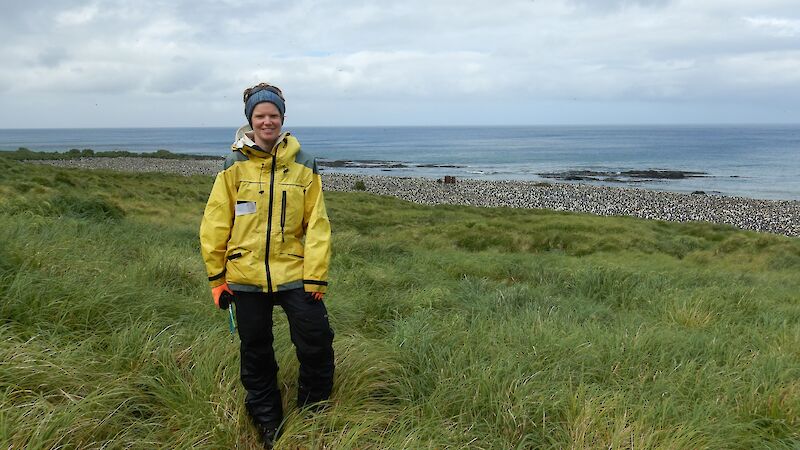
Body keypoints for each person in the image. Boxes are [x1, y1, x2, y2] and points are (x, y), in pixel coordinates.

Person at [199, 83, 334, 447]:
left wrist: (316, 277)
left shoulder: (304, 163)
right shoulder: (234, 164)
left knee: (316, 342)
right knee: (256, 350)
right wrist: (216, 278)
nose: (267, 121)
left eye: (273, 115)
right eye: (260, 116)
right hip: (244, 276)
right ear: (250, 121)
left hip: (295, 272)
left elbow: (317, 225)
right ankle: (268, 421)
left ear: (283, 119)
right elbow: (215, 221)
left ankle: (314, 412)